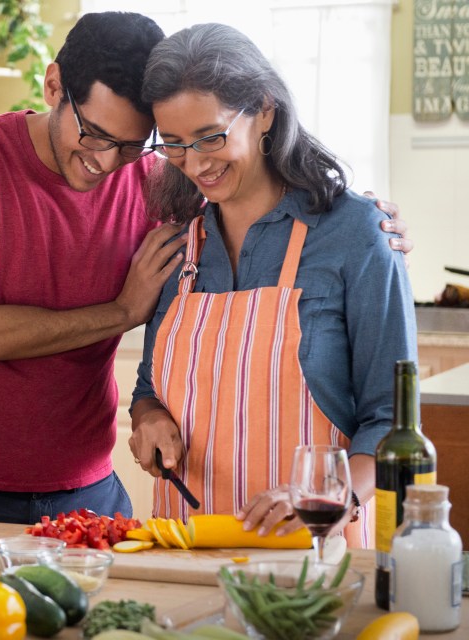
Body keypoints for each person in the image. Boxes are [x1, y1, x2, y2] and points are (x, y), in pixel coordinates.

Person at [0, 12, 411, 525]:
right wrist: (126, 323)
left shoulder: (166, 194)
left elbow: (390, 420)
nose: (106, 160)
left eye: (132, 144)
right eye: (96, 134)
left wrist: (362, 221)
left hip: (106, 494)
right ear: (54, 86)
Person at [129, 22, 418, 547]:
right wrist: (147, 419)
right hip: (185, 552)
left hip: (316, 553)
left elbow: (391, 418)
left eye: (211, 137)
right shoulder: (176, 250)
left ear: (264, 109)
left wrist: (328, 498)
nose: (194, 163)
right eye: (173, 144)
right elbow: (149, 389)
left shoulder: (357, 235)